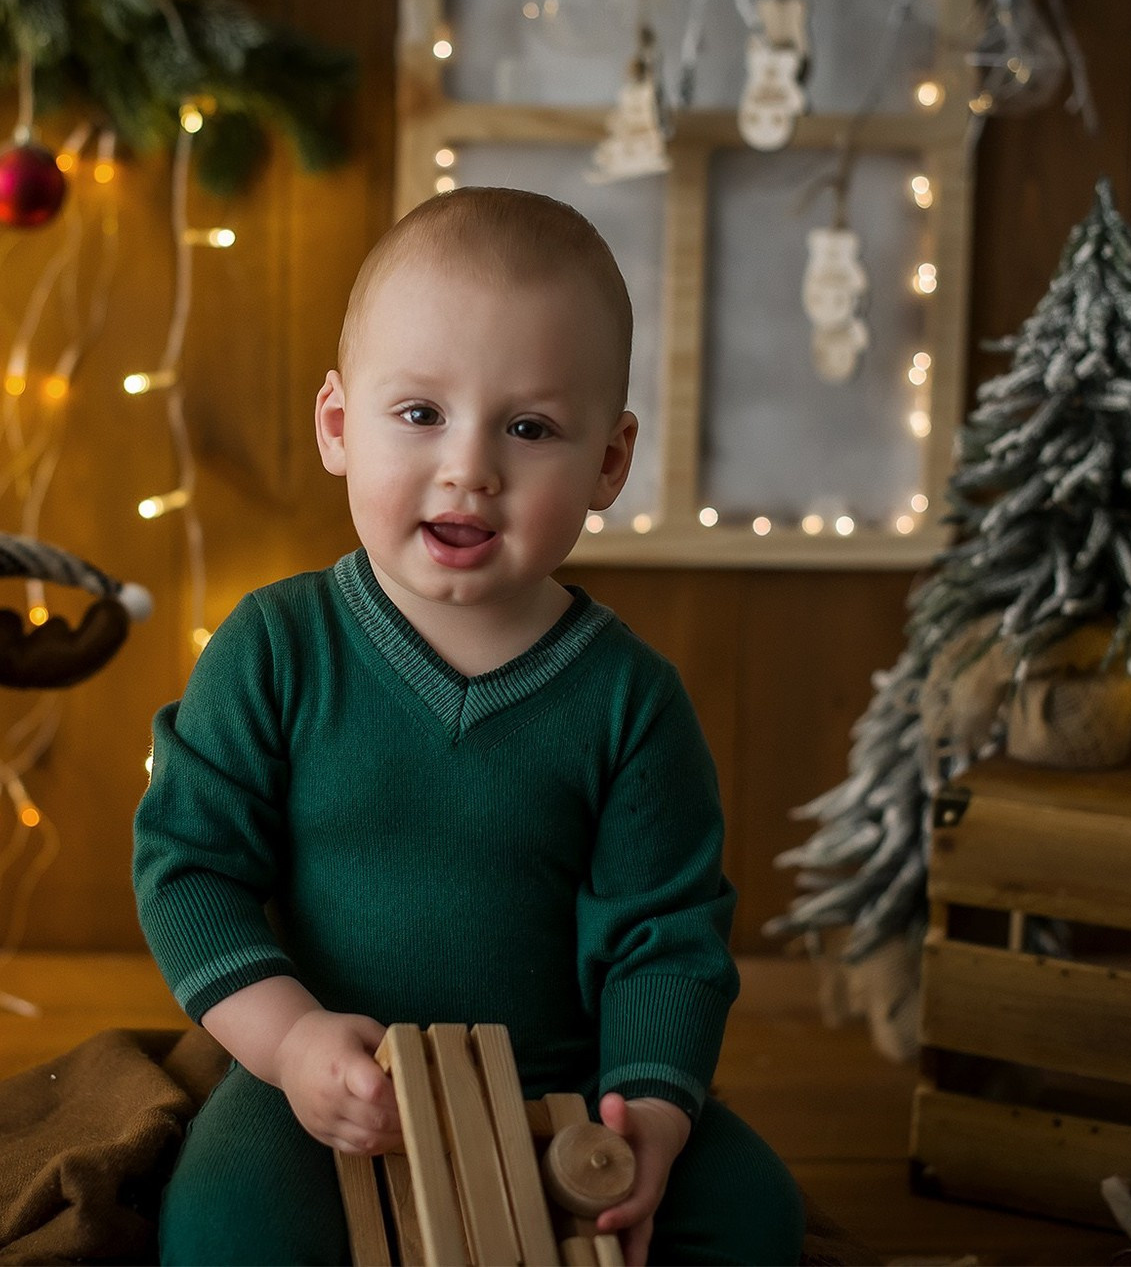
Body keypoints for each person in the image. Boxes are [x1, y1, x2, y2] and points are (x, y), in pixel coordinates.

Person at [133, 186, 804, 1265]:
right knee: (222, 1223)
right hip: (333, 1087)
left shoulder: (631, 703)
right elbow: (190, 872)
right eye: (419, 414)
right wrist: (291, 1041)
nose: (469, 468)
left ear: (608, 464)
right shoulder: (274, 648)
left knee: (752, 1216)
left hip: (560, 1086)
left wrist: (652, 1120)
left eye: (528, 427)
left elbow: (665, 940)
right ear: (338, 426)